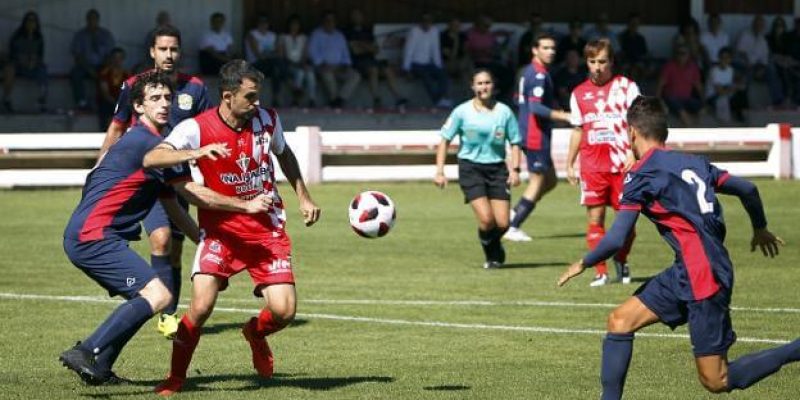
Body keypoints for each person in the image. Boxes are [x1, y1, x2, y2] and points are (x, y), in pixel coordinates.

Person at [558, 95, 795, 400]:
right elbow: (748, 189)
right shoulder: (694, 162)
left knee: (716, 379)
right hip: (690, 268)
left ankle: (796, 349)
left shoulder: (641, 176)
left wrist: (584, 262)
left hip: (703, 275)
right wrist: (760, 227)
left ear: (631, 132)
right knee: (620, 321)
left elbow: (617, 239)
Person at [59, 71, 268, 385]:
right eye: (154, 99)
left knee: (149, 296)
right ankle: (87, 351)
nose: (164, 104)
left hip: (97, 236)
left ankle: (100, 365)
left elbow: (176, 204)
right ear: (139, 107)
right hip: (93, 236)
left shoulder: (165, 149)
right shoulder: (143, 140)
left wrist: (208, 245)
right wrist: (198, 154)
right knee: (157, 295)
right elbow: (153, 162)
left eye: (168, 98)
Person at [147, 60, 321, 395]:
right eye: (250, 97)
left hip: (265, 230)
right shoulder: (195, 129)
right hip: (221, 233)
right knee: (200, 308)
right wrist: (197, 153)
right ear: (228, 96)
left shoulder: (268, 120)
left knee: (284, 311)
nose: (257, 103)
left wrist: (304, 197)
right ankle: (176, 378)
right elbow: (153, 157)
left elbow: (284, 155)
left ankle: (255, 334)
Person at [97, 25, 213, 339]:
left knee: (174, 249)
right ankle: (168, 316)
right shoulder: (134, 86)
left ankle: (168, 307)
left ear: (181, 52)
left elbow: (208, 132)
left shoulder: (196, 89)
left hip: (179, 178)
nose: (169, 55)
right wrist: (98, 171)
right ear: (152, 52)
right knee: (159, 238)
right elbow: (117, 128)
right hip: (146, 179)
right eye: (163, 49)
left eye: (174, 49)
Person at [566, 39, 639, 287]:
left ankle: (621, 258)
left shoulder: (627, 88)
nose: (597, 67)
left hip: (622, 165)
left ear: (611, 62)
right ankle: (601, 271)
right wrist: (569, 163)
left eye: (602, 61)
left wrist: (634, 152)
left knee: (627, 225)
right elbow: (578, 129)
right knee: (595, 220)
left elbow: (638, 124)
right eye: (592, 61)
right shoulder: (578, 93)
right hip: (593, 166)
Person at [434, 69, 521, 268]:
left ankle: (491, 242)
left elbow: (515, 142)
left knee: (503, 224)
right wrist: (440, 171)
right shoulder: (462, 111)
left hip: (497, 169)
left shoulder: (504, 112)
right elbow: (444, 140)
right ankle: (492, 255)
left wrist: (515, 170)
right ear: (473, 87)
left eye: (487, 83)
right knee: (486, 219)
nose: (484, 87)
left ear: (494, 85)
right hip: (470, 169)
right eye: (480, 83)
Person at [504, 33, 572, 242]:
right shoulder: (539, 75)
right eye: (545, 48)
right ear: (535, 50)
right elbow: (535, 107)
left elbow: (518, 100)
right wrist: (563, 115)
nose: (550, 51)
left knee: (550, 181)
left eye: (552, 48)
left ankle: (515, 213)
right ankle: (513, 226)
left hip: (532, 131)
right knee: (539, 179)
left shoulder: (527, 72)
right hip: (535, 135)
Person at [344, 8, 407, 110]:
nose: (357, 17)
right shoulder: (347, 31)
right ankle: (376, 98)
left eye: (359, 15)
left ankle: (398, 96)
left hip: (371, 59)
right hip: (357, 62)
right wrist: (367, 47)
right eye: (354, 15)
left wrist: (361, 44)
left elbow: (376, 49)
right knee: (373, 69)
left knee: (386, 67)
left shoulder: (367, 31)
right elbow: (355, 50)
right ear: (351, 18)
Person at [307, 11, 361, 108]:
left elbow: (345, 53)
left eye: (332, 20)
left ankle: (340, 99)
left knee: (355, 75)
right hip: (323, 66)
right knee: (328, 75)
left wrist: (345, 65)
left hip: (339, 67)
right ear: (323, 21)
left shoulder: (339, 35)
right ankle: (334, 99)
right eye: (327, 20)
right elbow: (312, 52)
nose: (330, 22)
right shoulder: (316, 34)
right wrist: (322, 64)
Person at [2, 11, 48, 113]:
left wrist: (34, 62)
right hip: (18, 66)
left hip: (33, 66)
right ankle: (6, 99)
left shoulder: (39, 38)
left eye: (33, 21)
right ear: (24, 22)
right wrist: (24, 61)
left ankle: (42, 99)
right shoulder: (17, 36)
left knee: (43, 68)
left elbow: (40, 56)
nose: (31, 23)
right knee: (9, 69)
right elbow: (12, 55)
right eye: (29, 20)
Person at [403, 13, 452, 108]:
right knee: (427, 77)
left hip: (428, 63)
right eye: (425, 22)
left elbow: (435, 49)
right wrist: (406, 69)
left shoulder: (434, 31)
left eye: (429, 22)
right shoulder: (414, 31)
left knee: (443, 75)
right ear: (421, 22)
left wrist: (439, 65)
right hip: (415, 63)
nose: (427, 24)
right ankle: (437, 100)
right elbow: (408, 50)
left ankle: (441, 98)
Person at [69, 9, 115, 110]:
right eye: (90, 19)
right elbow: (77, 55)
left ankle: (106, 102)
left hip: (102, 65)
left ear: (98, 20)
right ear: (87, 20)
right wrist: (89, 69)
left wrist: (104, 67)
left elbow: (111, 54)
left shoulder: (106, 35)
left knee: (108, 73)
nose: (92, 21)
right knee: (75, 73)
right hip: (85, 66)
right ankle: (81, 102)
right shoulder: (80, 35)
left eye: (94, 19)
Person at [656, 45, 703, 127]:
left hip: (687, 99)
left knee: (700, 108)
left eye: (684, 53)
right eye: (679, 53)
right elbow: (660, 85)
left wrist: (703, 100)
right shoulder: (669, 66)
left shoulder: (693, 67)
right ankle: (688, 125)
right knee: (680, 109)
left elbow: (698, 85)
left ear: (689, 55)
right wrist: (658, 101)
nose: (681, 55)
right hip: (671, 98)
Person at [245, 15, 287, 107]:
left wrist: (269, 55)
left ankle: (275, 98)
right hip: (255, 64)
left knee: (276, 70)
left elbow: (280, 53)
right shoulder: (252, 34)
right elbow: (258, 54)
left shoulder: (272, 35)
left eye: (265, 23)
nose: (263, 25)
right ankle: (287, 77)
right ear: (257, 24)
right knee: (277, 64)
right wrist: (272, 54)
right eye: (261, 22)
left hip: (271, 64)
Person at [278, 14, 316, 107]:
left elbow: (305, 54)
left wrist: (303, 64)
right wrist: (293, 64)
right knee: (300, 73)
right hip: (288, 64)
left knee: (310, 73)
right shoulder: (283, 37)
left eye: (297, 24)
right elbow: (281, 55)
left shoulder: (303, 38)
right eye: (292, 24)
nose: (294, 27)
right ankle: (296, 100)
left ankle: (312, 99)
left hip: (300, 64)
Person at [706, 47, 747, 123]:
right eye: (722, 58)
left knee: (741, 94)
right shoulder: (714, 71)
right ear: (719, 58)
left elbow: (740, 85)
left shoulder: (731, 70)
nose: (724, 60)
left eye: (727, 58)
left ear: (730, 59)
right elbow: (719, 91)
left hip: (726, 93)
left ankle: (740, 117)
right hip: (713, 96)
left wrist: (735, 87)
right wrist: (734, 88)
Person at [96, 47, 130, 131]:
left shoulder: (127, 74)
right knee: (104, 105)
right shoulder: (105, 73)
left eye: (120, 58)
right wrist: (115, 103)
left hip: (122, 102)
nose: (117, 61)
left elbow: (129, 91)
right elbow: (105, 93)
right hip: (108, 102)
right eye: (115, 58)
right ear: (111, 59)